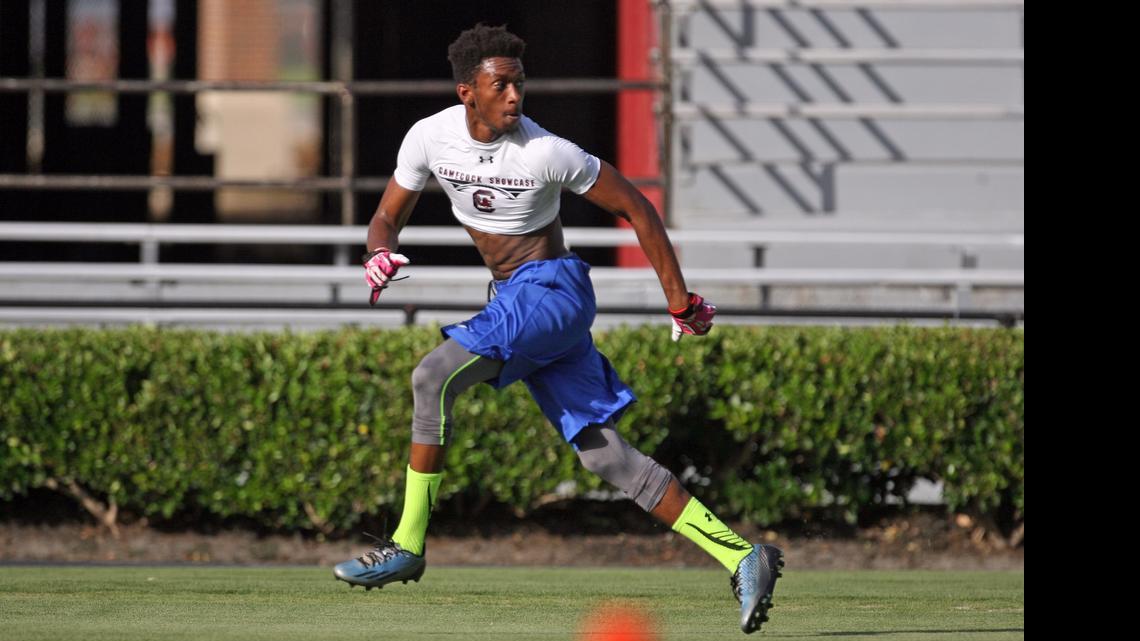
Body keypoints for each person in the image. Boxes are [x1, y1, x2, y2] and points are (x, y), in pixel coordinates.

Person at [333, 23, 783, 634]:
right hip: (521, 302)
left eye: (519, 84)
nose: (515, 97)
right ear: (469, 92)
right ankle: (742, 554)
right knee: (606, 456)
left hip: (552, 292)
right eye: (501, 86)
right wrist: (377, 253)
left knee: (431, 376)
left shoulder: (547, 151)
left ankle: (408, 544)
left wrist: (679, 302)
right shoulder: (429, 138)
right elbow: (387, 215)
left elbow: (637, 206)